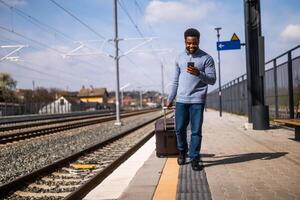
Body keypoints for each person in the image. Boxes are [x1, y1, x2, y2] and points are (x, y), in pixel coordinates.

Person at [166, 28, 216, 171]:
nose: (191, 46)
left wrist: (199, 73)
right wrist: (171, 98)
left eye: (194, 43)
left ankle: (194, 157)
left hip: (197, 101)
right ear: (185, 41)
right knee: (179, 129)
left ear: (198, 41)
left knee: (195, 131)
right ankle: (182, 152)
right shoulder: (179, 58)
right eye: (189, 43)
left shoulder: (207, 58)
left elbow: (212, 80)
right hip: (181, 101)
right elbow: (175, 81)